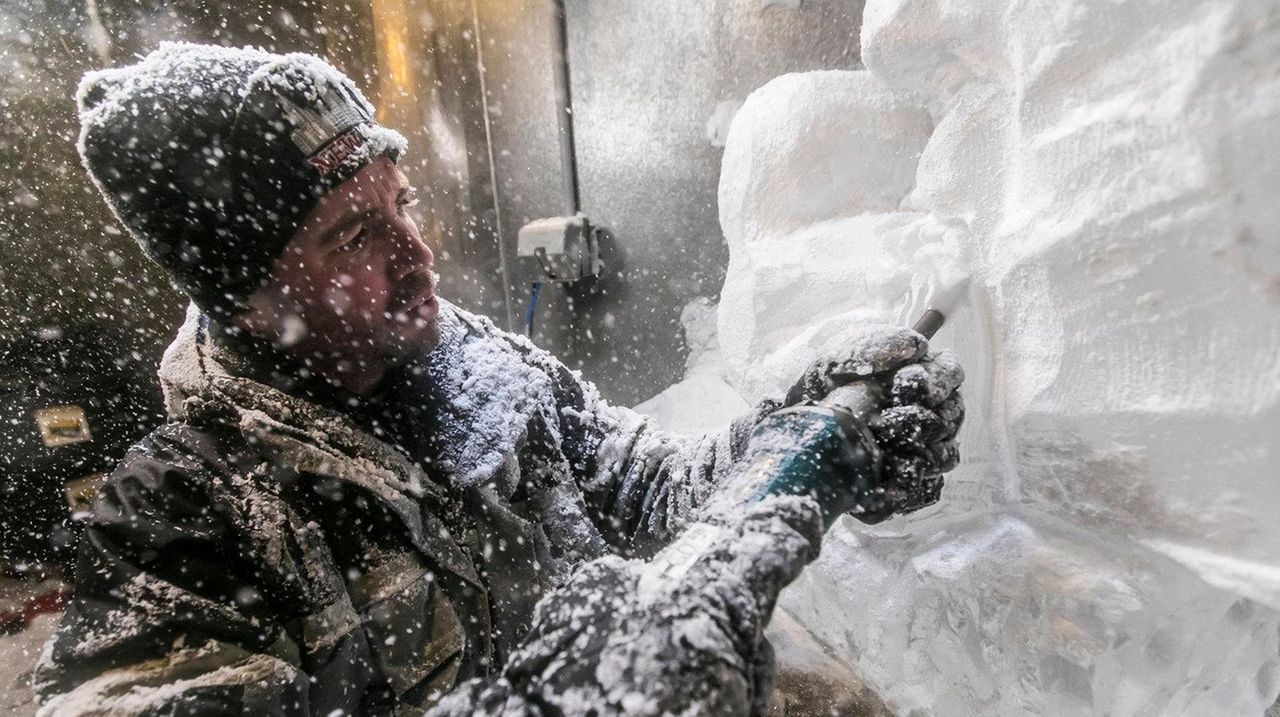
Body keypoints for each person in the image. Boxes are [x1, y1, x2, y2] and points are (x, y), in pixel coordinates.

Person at [33, 43, 963, 716]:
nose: (416, 251)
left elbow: (648, 488)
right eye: (354, 235)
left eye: (401, 204)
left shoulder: (482, 366)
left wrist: (806, 438)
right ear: (242, 297)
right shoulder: (178, 529)